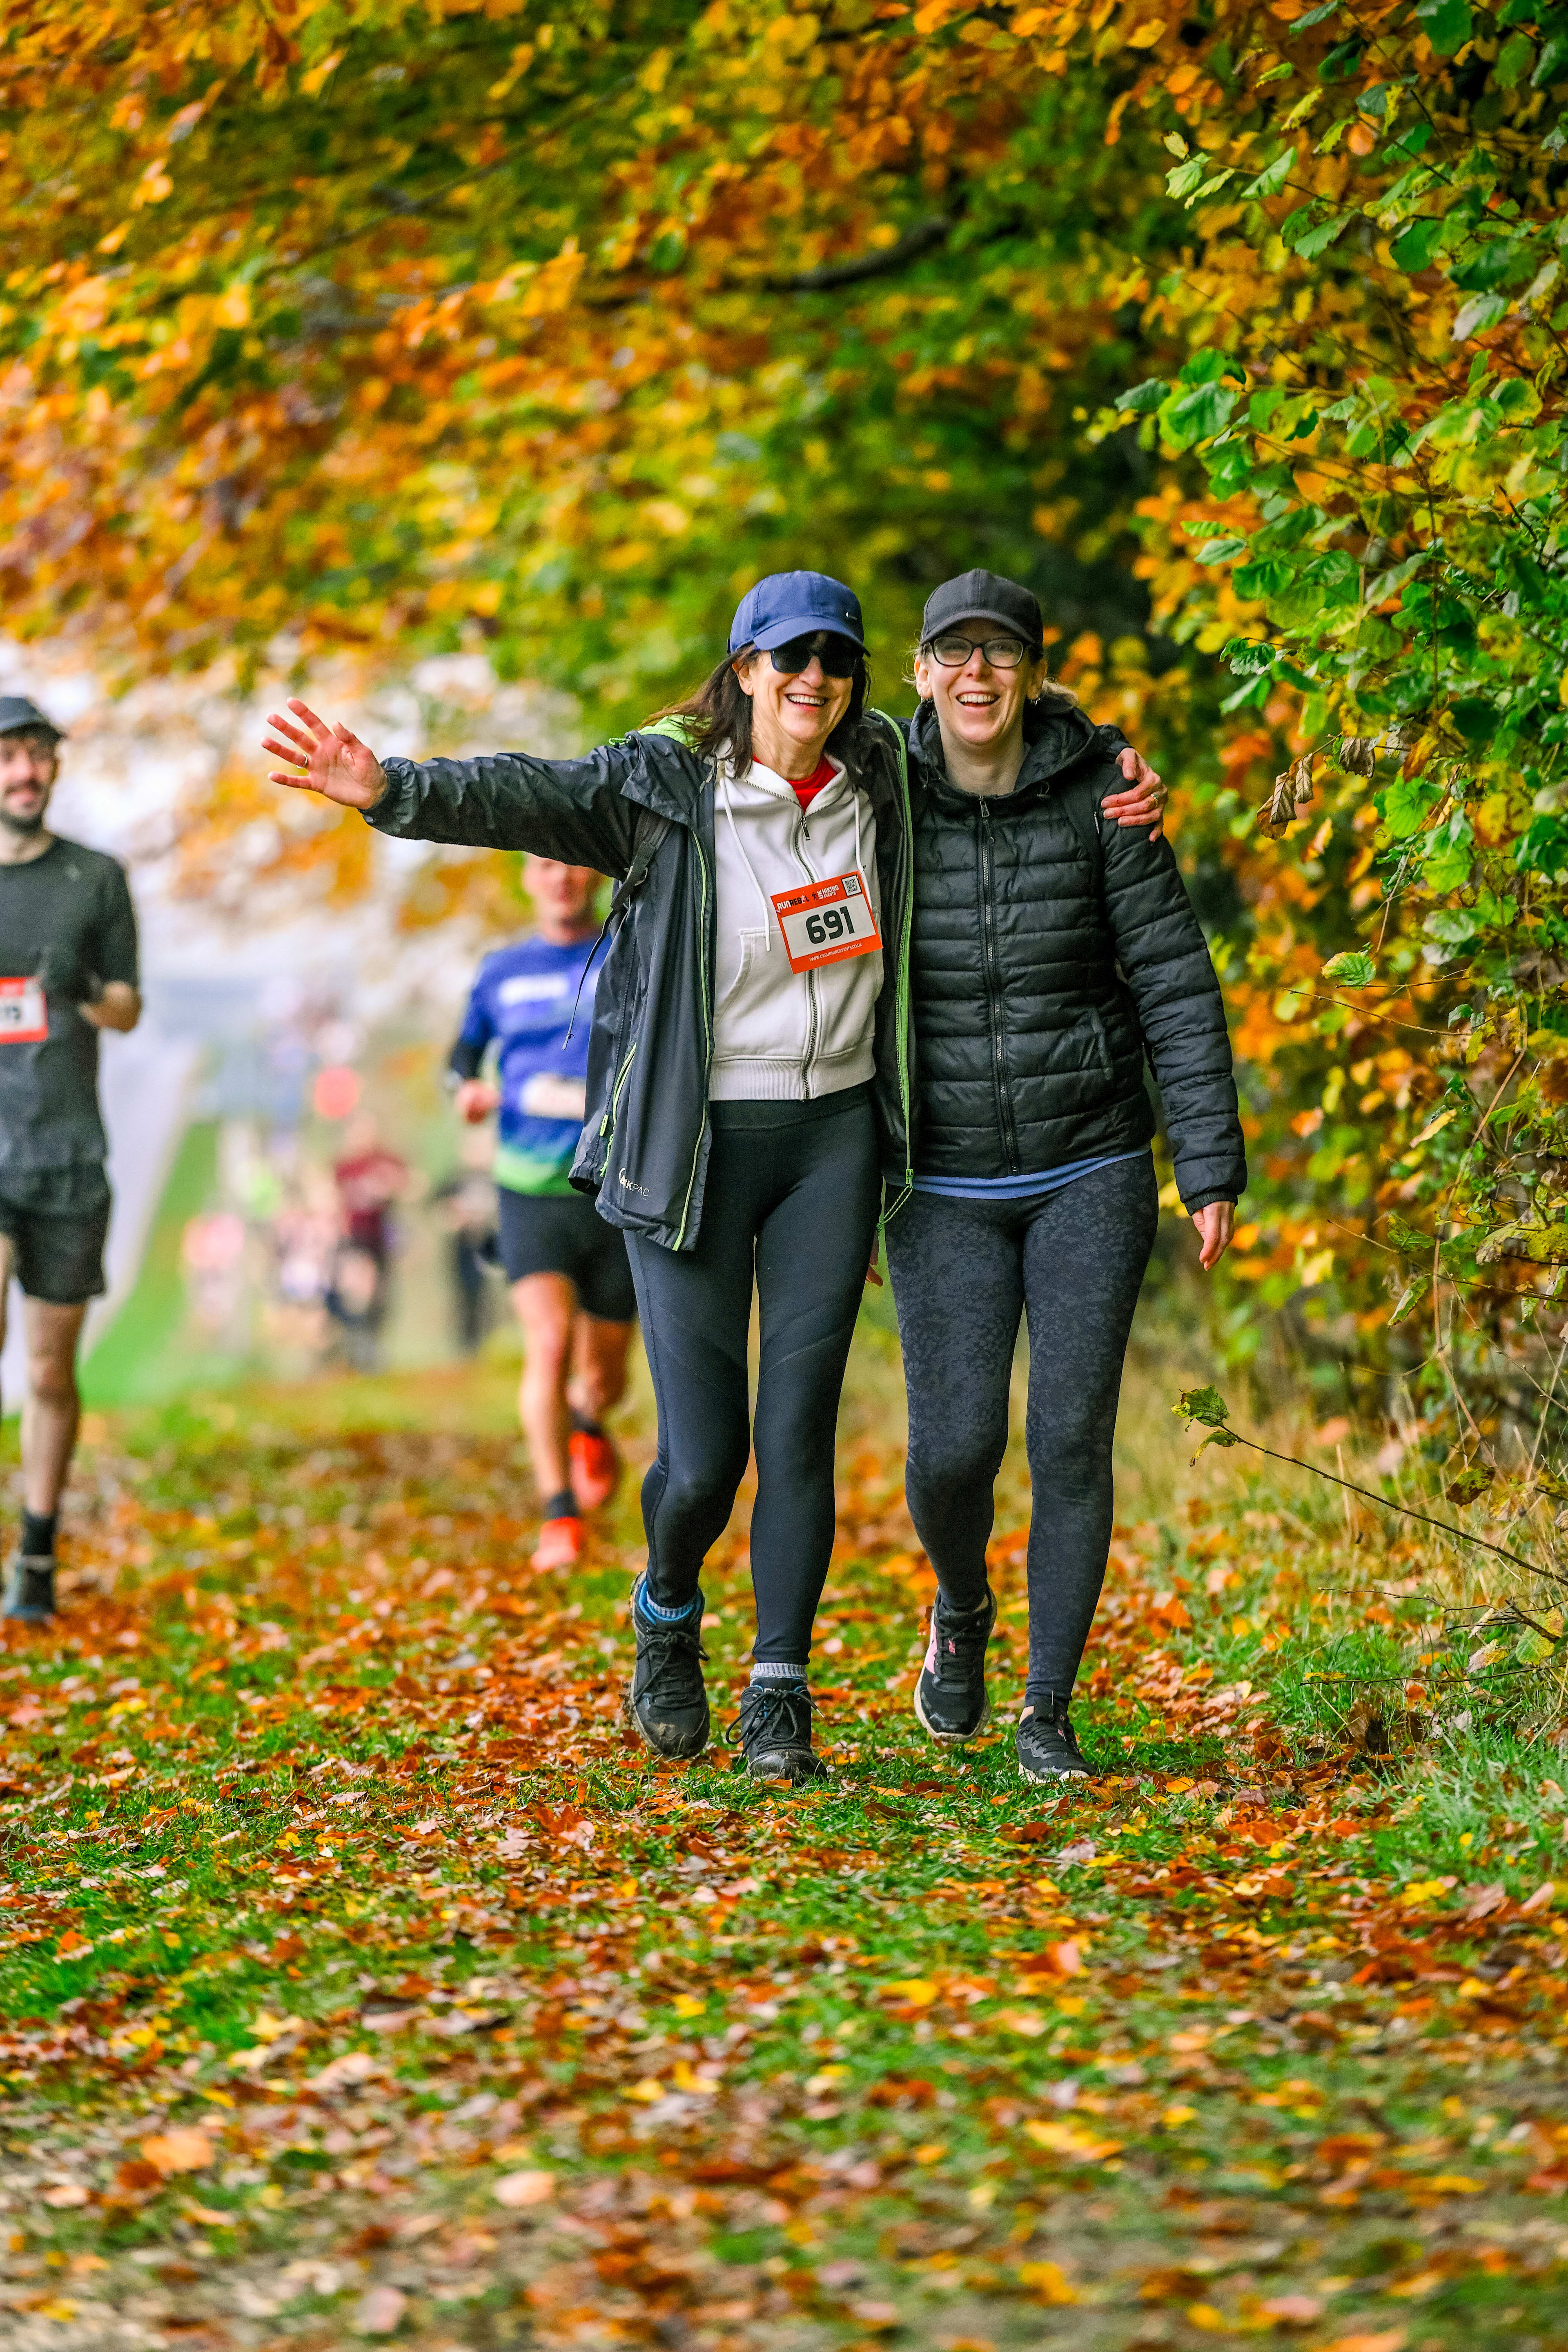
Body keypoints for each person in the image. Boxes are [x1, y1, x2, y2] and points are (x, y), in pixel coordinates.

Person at [261, 572, 1165, 1781]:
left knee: (795, 1435)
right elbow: (533, 792)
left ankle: (777, 1694)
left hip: (829, 1146)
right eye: (786, 660)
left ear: (852, 686)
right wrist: (391, 791)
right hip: (691, 1149)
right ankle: (667, 1615)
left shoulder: (879, 781)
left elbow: (995, 723)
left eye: (833, 664)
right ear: (742, 671)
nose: (811, 682)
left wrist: (1114, 762)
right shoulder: (664, 786)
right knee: (704, 1460)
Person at [886, 571, 1245, 1782]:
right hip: (938, 1180)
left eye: (1001, 653)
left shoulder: (1106, 795)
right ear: (921, 672)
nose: (977, 674)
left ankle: (1045, 1711)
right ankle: (960, 1610)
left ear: (1032, 673)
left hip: (1088, 1161)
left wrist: (1205, 1159)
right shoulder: (878, 794)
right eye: (955, 653)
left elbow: (1173, 982)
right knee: (949, 1450)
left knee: (1069, 1440)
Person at [448, 857, 637, 1569]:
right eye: (545, 867)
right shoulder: (502, 971)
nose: (560, 879)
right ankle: (559, 1514)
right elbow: (461, 1055)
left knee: (606, 1375)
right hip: (528, 1187)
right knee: (550, 1342)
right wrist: (465, 1088)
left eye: (572, 866)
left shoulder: (627, 950)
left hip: (615, 1192)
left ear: (592, 876)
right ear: (529, 878)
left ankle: (590, 1421)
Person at [0, 696, 141, 1623]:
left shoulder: (96, 877)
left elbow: (129, 1005)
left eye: (37, 756)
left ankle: (38, 1550)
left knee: (51, 1370)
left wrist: (80, 988)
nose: (25, 773)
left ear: (55, 767)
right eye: (10, 757)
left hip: (67, 1154)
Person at [328, 1115, 408, 1370]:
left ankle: (369, 1345)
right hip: (354, 1237)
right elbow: (329, 1197)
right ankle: (357, 1345)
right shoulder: (344, 1166)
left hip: (380, 1238)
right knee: (360, 1290)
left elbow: (411, 1184)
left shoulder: (384, 1160)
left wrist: (391, 1184)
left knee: (379, 1295)